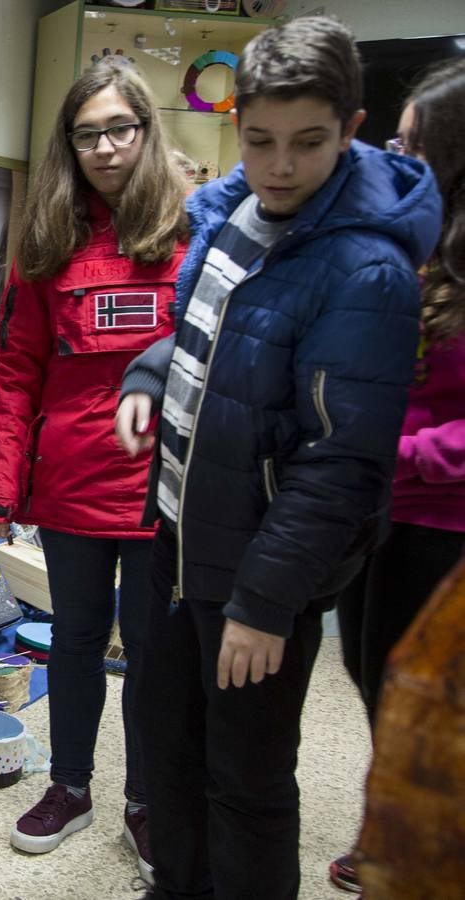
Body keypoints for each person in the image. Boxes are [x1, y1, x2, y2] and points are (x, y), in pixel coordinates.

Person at [114, 17, 441, 898]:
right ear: (236, 130)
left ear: (351, 127)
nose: (281, 166)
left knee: (245, 784)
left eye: (308, 143)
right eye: (259, 141)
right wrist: (148, 374)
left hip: (258, 579)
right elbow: (200, 332)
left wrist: (261, 606)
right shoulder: (229, 219)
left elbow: (340, 464)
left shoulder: (365, 272)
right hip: (180, 543)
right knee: (168, 757)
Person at [0, 57, 189, 885]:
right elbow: (17, 367)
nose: (103, 147)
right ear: (68, 142)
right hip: (68, 486)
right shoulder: (48, 240)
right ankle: (70, 786)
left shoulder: (188, 231)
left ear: (144, 130)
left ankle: (145, 801)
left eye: (118, 129)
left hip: (159, 487)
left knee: (152, 652)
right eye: (86, 133)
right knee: (71, 640)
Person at [328, 57, 465, 895]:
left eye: (410, 144)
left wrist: (402, 454)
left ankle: (418, 834)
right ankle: (394, 814)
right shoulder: (405, 243)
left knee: (421, 692)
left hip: (442, 525)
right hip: (373, 506)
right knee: (367, 668)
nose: (392, 154)